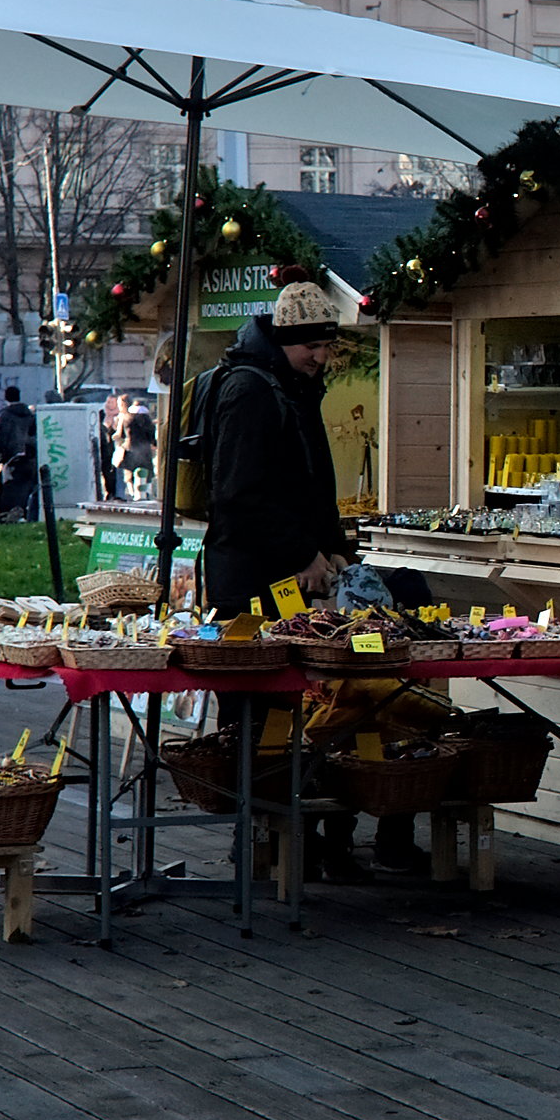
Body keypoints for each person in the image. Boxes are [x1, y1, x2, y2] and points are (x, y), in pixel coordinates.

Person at [199, 272, 357, 878]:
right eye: (311, 345)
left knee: (299, 706)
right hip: (252, 581)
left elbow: (313, 487)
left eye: (326, 345)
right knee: (257, 711)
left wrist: (334, 550)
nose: (320, 356)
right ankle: (258, 839)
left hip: (283, 573)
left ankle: (298, 835)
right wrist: (304, 553)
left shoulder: (288, 386)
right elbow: (239, 495)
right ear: (284, 339)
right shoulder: (252, 391)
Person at [118, 397, 157, 501]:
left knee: (129, 474)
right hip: (145, 451)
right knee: (146, 473)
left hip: (129, 449)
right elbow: (152, 438)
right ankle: (145, 493)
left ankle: (132, 493)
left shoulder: (126, 419)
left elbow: (121, 435)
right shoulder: (147, 420)